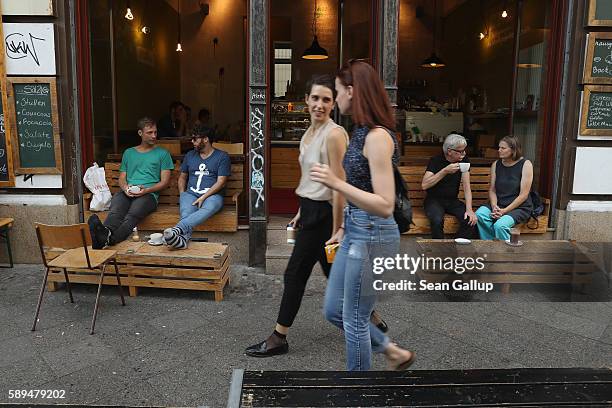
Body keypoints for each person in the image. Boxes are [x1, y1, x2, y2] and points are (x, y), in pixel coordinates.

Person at [245, 75, 388, 358]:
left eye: (326, 99)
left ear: (334, 103)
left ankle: (279, 337)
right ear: (306, 101)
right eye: (315, 98)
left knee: (294, 274)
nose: (320, 105)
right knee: (341, 277)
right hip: (311, 211)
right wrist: (301, 210)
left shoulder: (334, 135)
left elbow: (339, 185)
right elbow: (312, 177)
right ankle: (374, 323)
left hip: (327, 216)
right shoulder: (308, 133)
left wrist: (339, 228)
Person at [310, 61, 415, 371]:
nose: (335, 97)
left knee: (355, 317)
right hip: (356, 230)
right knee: (333, 310)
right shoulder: (359, 131)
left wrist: (336, 183)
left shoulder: (378, 138)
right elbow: (361, 184)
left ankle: (358, 394)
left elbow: (384, 203)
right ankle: (390, 350)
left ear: (352, 92)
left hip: (374, 235)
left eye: (338, 91)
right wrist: (343, 224)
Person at [88, 117, 174, 248]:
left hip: (149, 195)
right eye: (150, 132)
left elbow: (165, 182)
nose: (154, 136)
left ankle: (109, 240)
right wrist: (125, 188)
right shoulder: (129, 153)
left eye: (155, 132)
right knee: (116, 208)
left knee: (133, 213)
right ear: (140, 133)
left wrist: (146, 190)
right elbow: (122, 178)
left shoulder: (163, 154)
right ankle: (104, 232)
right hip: (129, 191)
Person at [163, 124, 231, 249]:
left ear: (206, 139)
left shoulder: (222, 156)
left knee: (209, 207)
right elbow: (182, 177)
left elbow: (221, 182)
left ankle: (178, 229)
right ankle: (183, 240)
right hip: (191, 193)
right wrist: (183, 194)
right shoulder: (190, 155)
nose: (192, 141)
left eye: (195, 139)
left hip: (213, 196)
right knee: (186, 212)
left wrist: (203, 197)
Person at [475, 136, 533, 241]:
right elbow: (492, 190)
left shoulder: (526, 164)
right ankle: (490, 245)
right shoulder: (496, 164)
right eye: (499, 147)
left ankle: (507, 252)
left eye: (503, 148)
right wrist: (494, 206)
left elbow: (524, 195)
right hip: (499, 204)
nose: (499, 150)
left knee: (500, 226)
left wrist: (504, 211)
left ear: (513, 150)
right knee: (480, 215)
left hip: (519, 207)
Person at [421, 133, 477, 239]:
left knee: (469, 220)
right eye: (460, 151)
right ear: (449, 151)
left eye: (464, 150)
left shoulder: (464, 161)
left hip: (452, 200)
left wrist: (469, 210)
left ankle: (455, 246)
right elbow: (424, 185)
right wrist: (445, 171)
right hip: (434, 200)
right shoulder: (436, 161)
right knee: (437, 220)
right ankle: (439, 250)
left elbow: (466, 187)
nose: (463, 154)